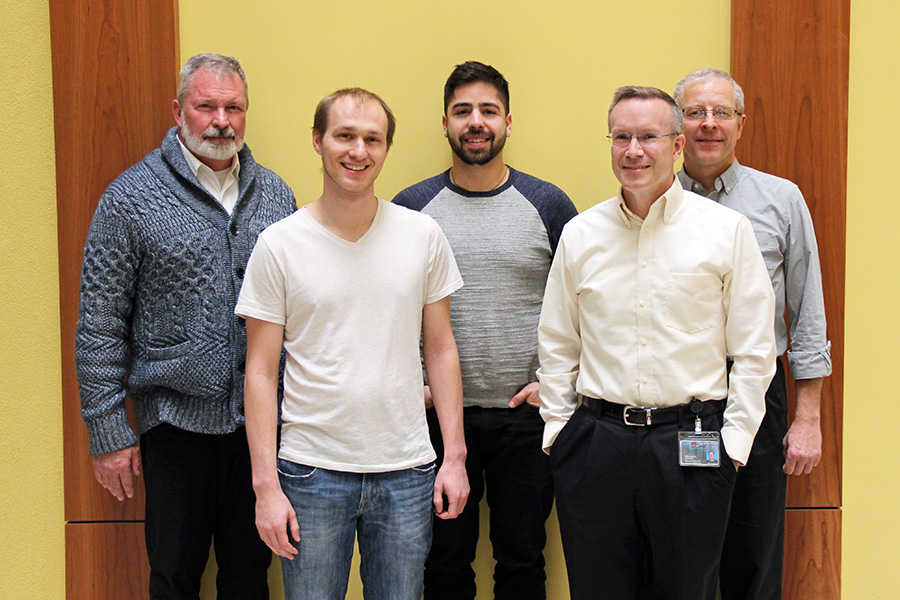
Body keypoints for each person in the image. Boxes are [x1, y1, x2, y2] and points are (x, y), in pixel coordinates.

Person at [537, 86, 777, 600]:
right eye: (621, 137)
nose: (633, 150)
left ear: (676, 147)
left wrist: (734, 445)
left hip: (692, 445)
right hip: (597, 449)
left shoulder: (725, 230)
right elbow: (557, 344)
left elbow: (755, 351)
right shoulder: (581, 234)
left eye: (648, 136)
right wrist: (560, 433)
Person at [75, 53, 297, 599]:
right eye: (207, 106)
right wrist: (106, 430)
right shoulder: (130, 198)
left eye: (234, 107)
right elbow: (100, 321)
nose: (222, 120)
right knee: (174, 576)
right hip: (173, 426)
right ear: (178, 112)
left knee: (250, 577)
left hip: (260, 426)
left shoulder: (276, 196)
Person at [236, 88, 470, 600]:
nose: (358, 151)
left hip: (406, 470)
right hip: (311, 472)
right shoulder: (279, 244)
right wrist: (265, 487)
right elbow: (258, 371)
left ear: (387, 148)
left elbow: (441, 348)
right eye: (344, 136)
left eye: (372, 139)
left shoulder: (422, 235)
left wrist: (455, 456)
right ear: (318, 141)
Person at [393, 60, 577, 600]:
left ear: (508, 122)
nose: (476, 122)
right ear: (445, 123)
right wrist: (411, 383)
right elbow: (386, 307)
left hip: (526, 420)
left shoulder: (549, 205)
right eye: (463, 111)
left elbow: (584, 306)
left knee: (522, 563)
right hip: (434, 422)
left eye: (488, 111)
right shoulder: (411, 209)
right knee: (444, 565)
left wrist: (557, 385)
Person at [674, 68, 832, 600]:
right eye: (695, 112)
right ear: (678, 126)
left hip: (759, 393)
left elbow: (806, 312)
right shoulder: (652, 198)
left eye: (722, 112)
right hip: (682, 399)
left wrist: (808, 418)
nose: (709, 124)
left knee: (754, 552)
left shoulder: (780, 200)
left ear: (740, 124)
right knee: (684, 553)